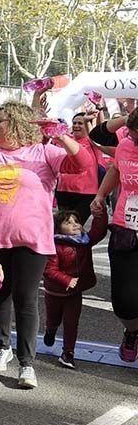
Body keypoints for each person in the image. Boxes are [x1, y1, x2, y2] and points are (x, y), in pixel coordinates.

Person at [0, 102, 83, 389]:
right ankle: (2, 347)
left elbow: (81, 164)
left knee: (25, 298)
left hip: (32, 240)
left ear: (18, 124)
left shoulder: (45, 152)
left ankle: (26, 363)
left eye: (1, 121)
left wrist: (59, 133)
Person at [90, 108, 138, 362]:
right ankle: (132, 331)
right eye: (132, 134)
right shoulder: (126, 144)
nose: (133, 140)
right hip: (125, 228)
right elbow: (115, 169)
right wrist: (100, 195)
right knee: (124, 302)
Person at [43, 209, 108, 370]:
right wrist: (67, 279)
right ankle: (50, 331)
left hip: (74, 292)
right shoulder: (54, 245)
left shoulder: (84, 241)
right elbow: (49, 270)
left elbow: (98, 231)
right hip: (54, 292)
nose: (74, 225)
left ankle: (68, 353)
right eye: (68, 222)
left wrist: (101, 213)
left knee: (71, 323)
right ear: (58, 229)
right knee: (53, 319)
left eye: (76, 221)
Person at [56, 113, 101, 224]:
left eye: (80, 123)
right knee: (64, 226)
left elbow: (101, 130)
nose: (76, 125)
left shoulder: (93, 142)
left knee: (75, 226)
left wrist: (99, 110)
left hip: (85, 193)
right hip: (63, 191)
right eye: (74, 123)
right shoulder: (66, 140)